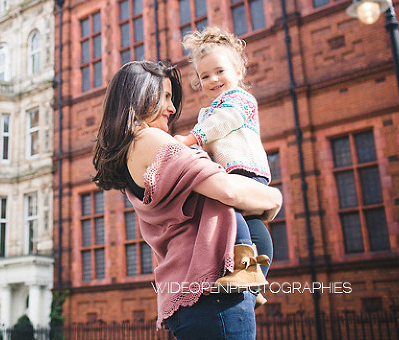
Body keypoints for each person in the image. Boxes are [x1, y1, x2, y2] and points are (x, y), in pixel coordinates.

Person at [92, 60, 281, 339]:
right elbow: (227, 190)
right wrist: (272, 197)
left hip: (195, 294)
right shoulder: (151, 139)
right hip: (214, 293)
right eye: (165, 97)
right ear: (142, 95)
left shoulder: (131, 152)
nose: (171, 108)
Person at [174, 27, 273, 303]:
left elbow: (222, 123)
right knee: (250, 223)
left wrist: (191, 138)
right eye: (205, 75)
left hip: (244, 169)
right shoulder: (210, 110)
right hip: (233, 170)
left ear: (239, 71)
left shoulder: (238, 100)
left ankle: (249, 272)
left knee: (227, 210)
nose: (213, 79)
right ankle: (255, 278)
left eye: (220, 71)